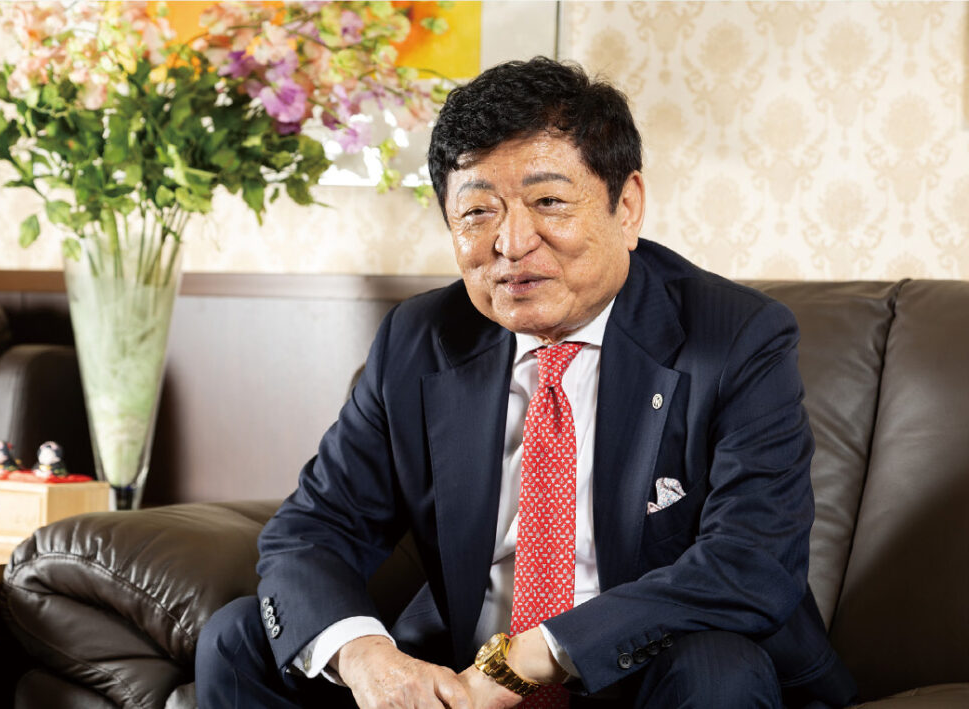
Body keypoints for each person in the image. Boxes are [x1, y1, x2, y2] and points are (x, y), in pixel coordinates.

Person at [196, 57, 857, 708]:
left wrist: (527, 660)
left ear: (627, 206)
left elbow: (750, 562)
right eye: (478, 211)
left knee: (715, 670)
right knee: (240, 638)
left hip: (646, 671)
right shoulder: (419, 340)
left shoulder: (735, 336)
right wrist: (366, 657)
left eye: (548, 202)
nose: (512, 243)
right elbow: (313, 529)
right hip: (462, 678)